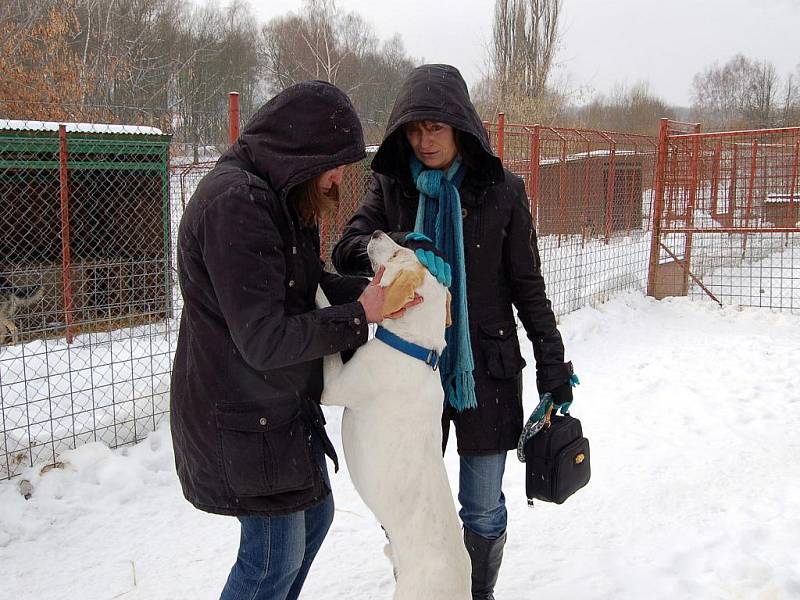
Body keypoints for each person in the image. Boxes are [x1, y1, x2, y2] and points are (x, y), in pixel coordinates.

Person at [332, 64, 576, 600]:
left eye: (435, 129)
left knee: (482, 509)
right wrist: (405, 244)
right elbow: (347, 247)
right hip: (411, 375)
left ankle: (476, 594)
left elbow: (528, 290)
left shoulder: (503, 192)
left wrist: (555, 372)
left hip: (484, 371)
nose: (424, 142)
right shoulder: (392, 187)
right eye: (414, 131)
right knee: (408, 499)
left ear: (461, 128)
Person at [170, 81, 413, 600]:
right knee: (272, 558)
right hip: (239, 410)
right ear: (307, 152)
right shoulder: (236, 205)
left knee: (316, 517)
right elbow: (264, 337)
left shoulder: (275, 196)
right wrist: (359, 316)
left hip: (272, 407)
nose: (338, 180)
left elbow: (305, 287)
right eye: (336, 164)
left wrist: (376, 298)